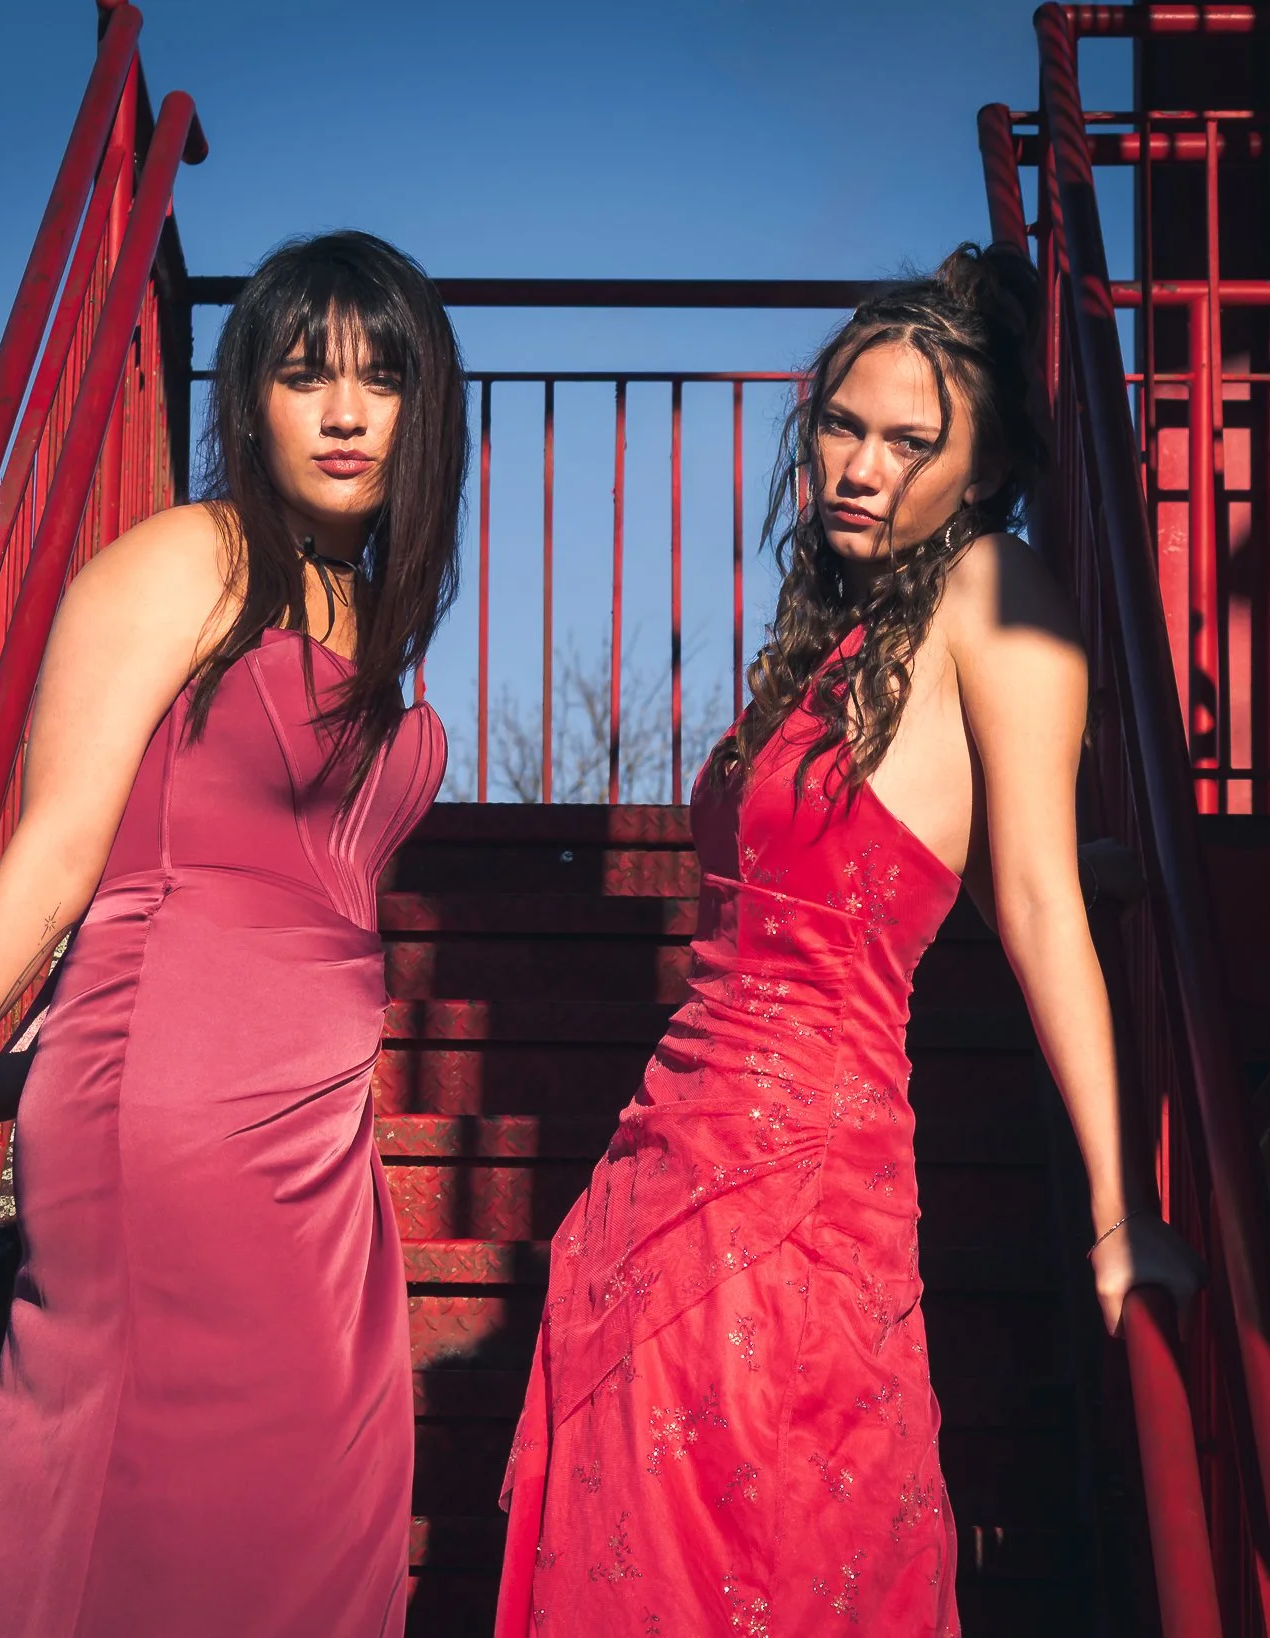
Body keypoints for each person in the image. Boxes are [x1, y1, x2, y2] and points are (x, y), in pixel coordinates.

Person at [494, 244, 1204, 1636]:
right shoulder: (836, 636)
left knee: (786, 1559)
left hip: (805, 1197)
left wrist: (1121, 1215)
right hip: (662, 1176)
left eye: (908, 441)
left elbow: (1040, 895)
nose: (860, 466)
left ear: (985, 470)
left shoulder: (996, 590)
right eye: (841, 425)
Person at [0, 229, 467, 1637]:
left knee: (311, 1521)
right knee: (121, 1500)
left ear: (428, 409)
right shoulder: (190, 557)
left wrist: (10, 1073)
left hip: (319, 1152)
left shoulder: (374, 624)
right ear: (251, 401)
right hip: (174, 1128)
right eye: (304, 375)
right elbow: (61, 862)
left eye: (381, 379)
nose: (345, 413)